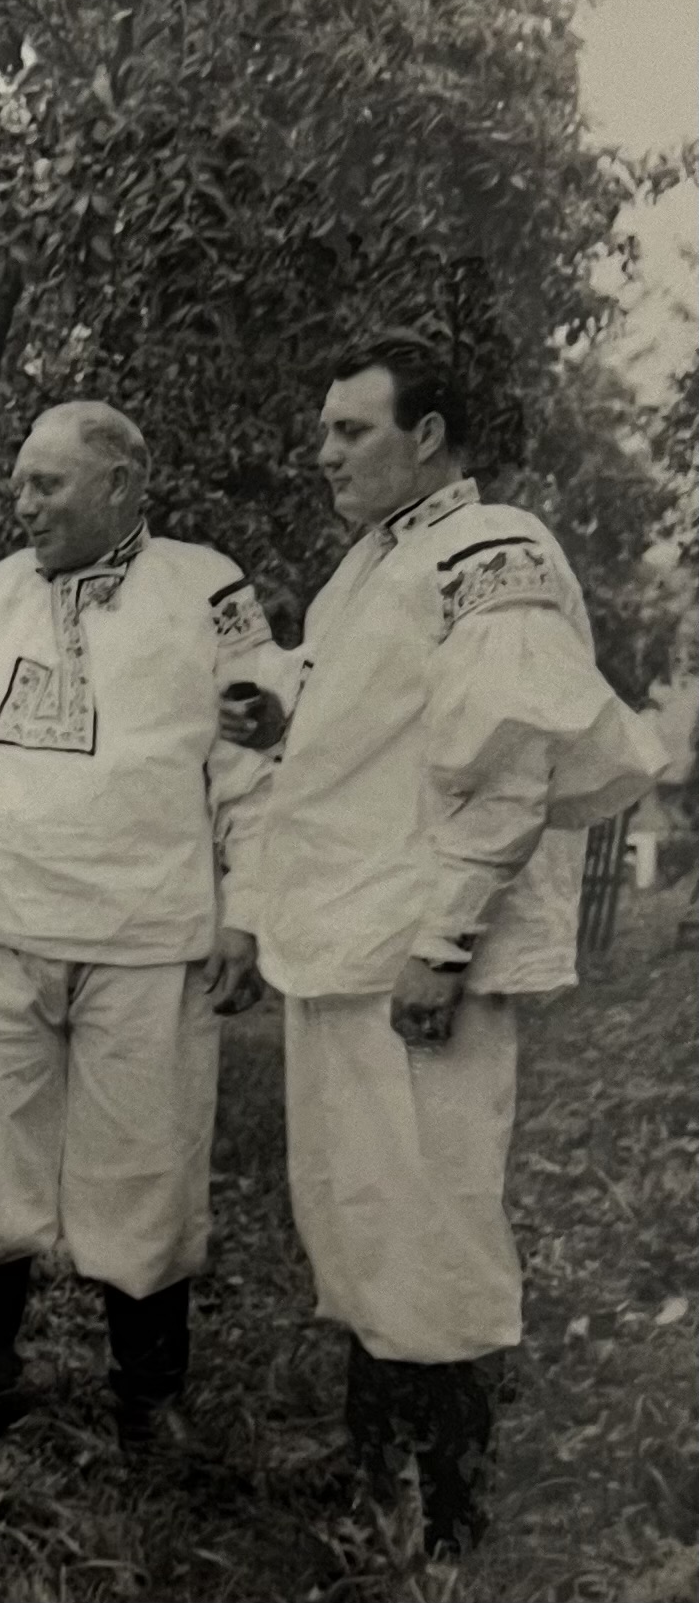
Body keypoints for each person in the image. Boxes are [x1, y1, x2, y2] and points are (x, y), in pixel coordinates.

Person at [221, 333, 666, 1555]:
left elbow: (509, 761)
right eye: (324, 430)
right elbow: (379, 708)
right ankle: (378, 1474)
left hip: (417, 951)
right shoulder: (375, 561)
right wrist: (281, 702)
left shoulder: (490, 549)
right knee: (358, 1210)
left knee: (434, 1218)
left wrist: (445, 942)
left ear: (425, 437)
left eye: (350, 430)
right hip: (346, 935)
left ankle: (452, 1516)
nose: (323, 453)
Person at [0, 400, 283, 1448]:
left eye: (46, 484)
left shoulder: (206, 586)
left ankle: (148, 1395)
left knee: (147, 1163)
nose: (22, 503)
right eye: (18, 482)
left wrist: (246, 912)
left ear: (120, 485)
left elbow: (252, 759)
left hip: (145, 929)